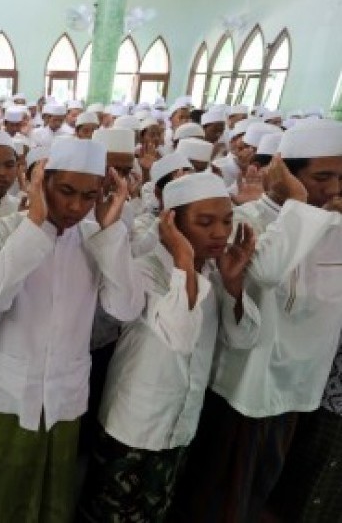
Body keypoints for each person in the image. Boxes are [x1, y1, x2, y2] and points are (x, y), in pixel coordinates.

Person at [171, 120, 342, 522]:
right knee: (218, 492)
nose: (334, 188)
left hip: (302, 383)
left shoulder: (336, 224)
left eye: (341, 176)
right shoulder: (247, 217)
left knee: (262, 488)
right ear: (289, 175)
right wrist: (297, 203)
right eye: (321, 177)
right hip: (247, 382)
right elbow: (264, 271)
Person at [0, 138, 144, 521]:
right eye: (65, 191)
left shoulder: (96, 238)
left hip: (65, 391)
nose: (75, 206)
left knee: (55, 492)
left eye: (89, 195)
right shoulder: (4, 231)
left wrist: (111, 230)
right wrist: (34, 223)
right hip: (11, 391)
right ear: (40, 181)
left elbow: (125, 308)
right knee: (2, 492)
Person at [79, 172, 260, 522]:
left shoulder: (213, 272)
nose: (220, 233)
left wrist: (235, 284)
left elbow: (243, 339)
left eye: (226, 221)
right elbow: (179, 335)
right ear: (171, 224)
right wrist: (182, 260)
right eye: (205, 222)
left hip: (181, 421)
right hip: (135, 424)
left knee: (155, 510)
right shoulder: (145, 270)